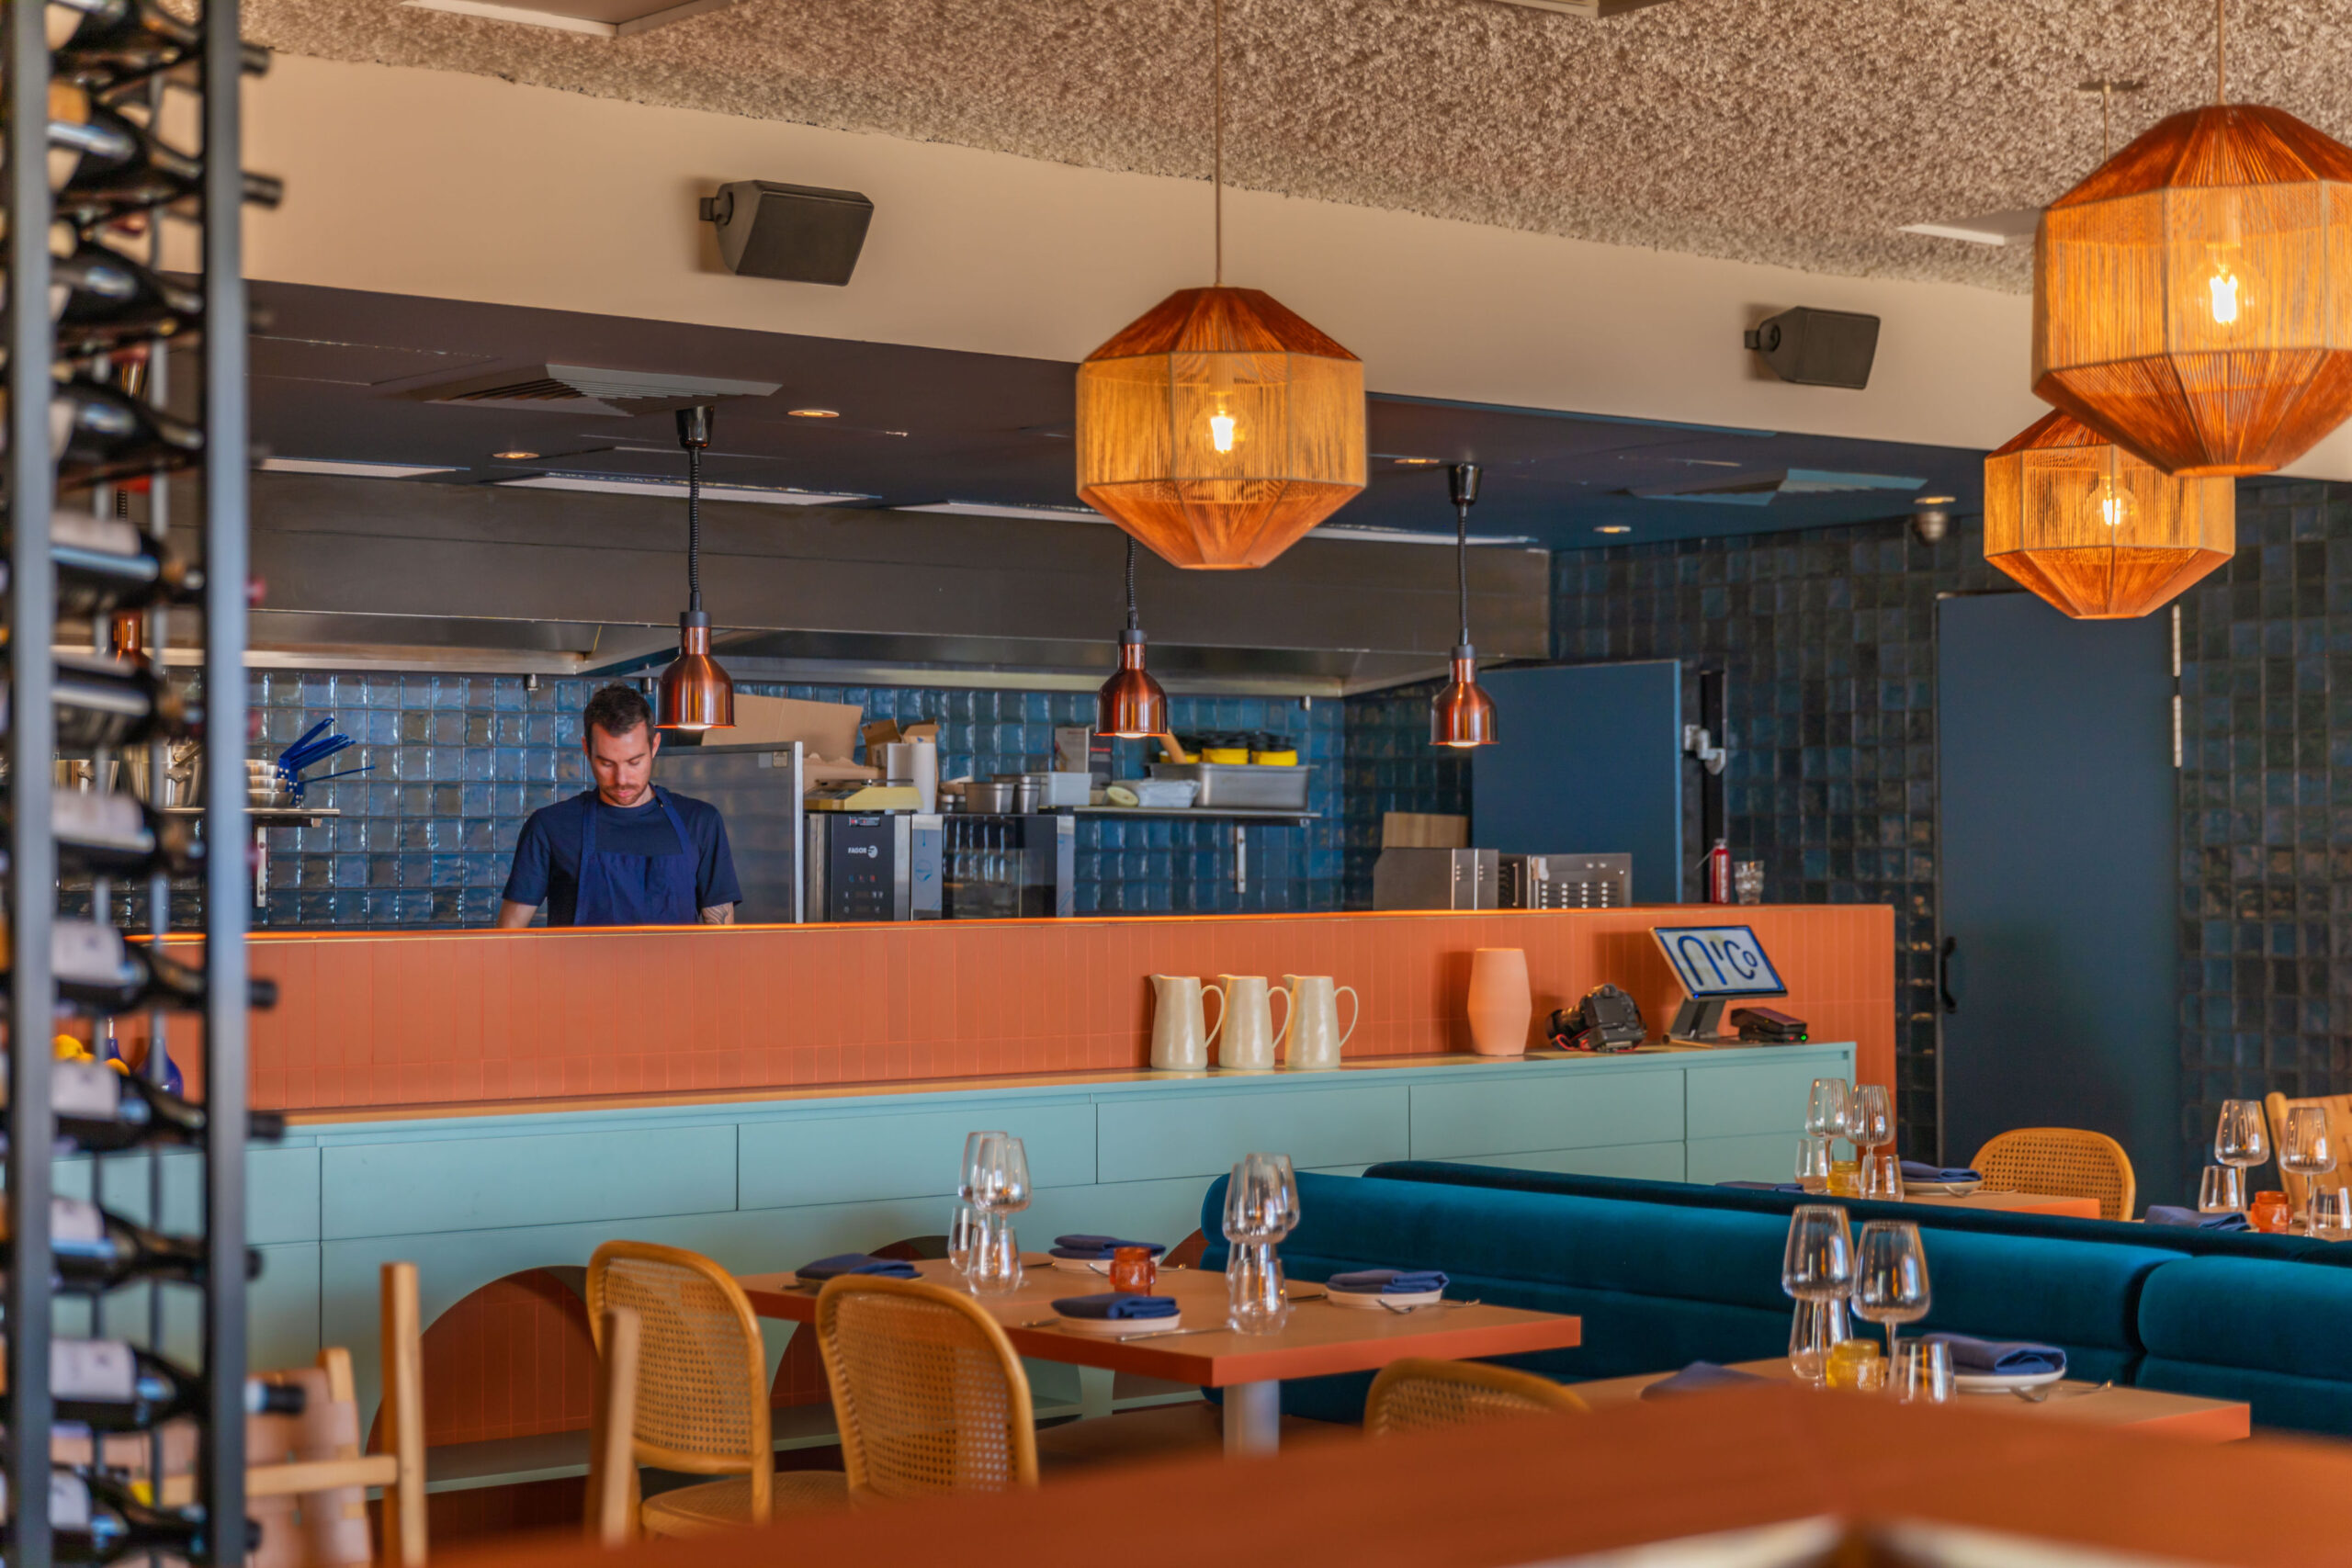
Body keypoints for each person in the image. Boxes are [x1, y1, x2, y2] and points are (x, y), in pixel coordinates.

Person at [496, 684, 741, 928]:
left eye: (634, 762)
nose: (621, 779)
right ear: (586, 750)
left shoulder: (700, 822)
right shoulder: (549, 827)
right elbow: (509, 935)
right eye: (606, 763)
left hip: (675, 968)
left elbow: (720, 940)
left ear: (654, 746)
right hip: (581, 968)